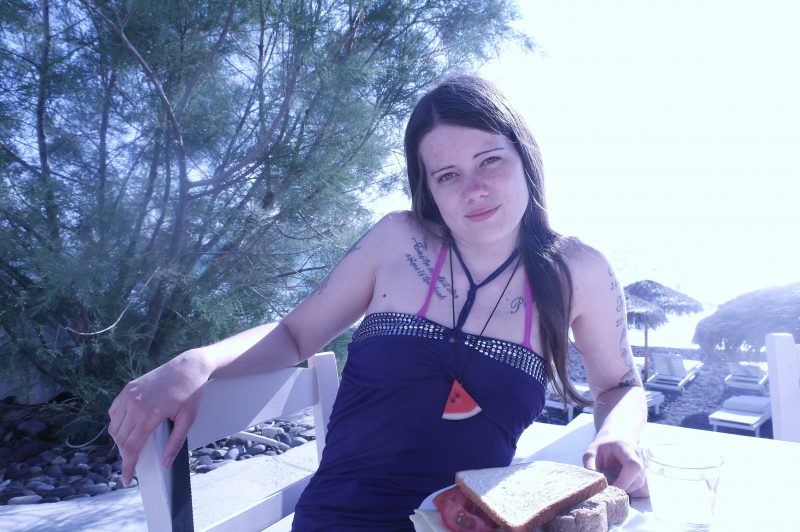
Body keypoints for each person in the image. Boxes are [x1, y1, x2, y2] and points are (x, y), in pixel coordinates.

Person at [108, 75, 647, 530]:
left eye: (490, 161)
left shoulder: (577, 272)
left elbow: (619, 385)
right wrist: (198, 361)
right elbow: (296, 335)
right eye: (448, 175)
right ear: (428, 187)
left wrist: (618, 436)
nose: (474, 189)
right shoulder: (396, 241)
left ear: (524, 157)